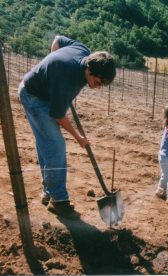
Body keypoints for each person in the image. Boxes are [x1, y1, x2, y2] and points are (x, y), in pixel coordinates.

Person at [19, 35, 116, 218]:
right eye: (97, 82)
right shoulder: (68, 80)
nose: (98, 87)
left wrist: (52, 67)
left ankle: (49, 191)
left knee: (46, 143)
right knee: (55, 144)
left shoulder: (84, 51)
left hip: (43, 91)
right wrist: (78, 137)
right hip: (32, 95)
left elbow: (58, 39)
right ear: (89, 69)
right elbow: (58, 115)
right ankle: (58, 200)